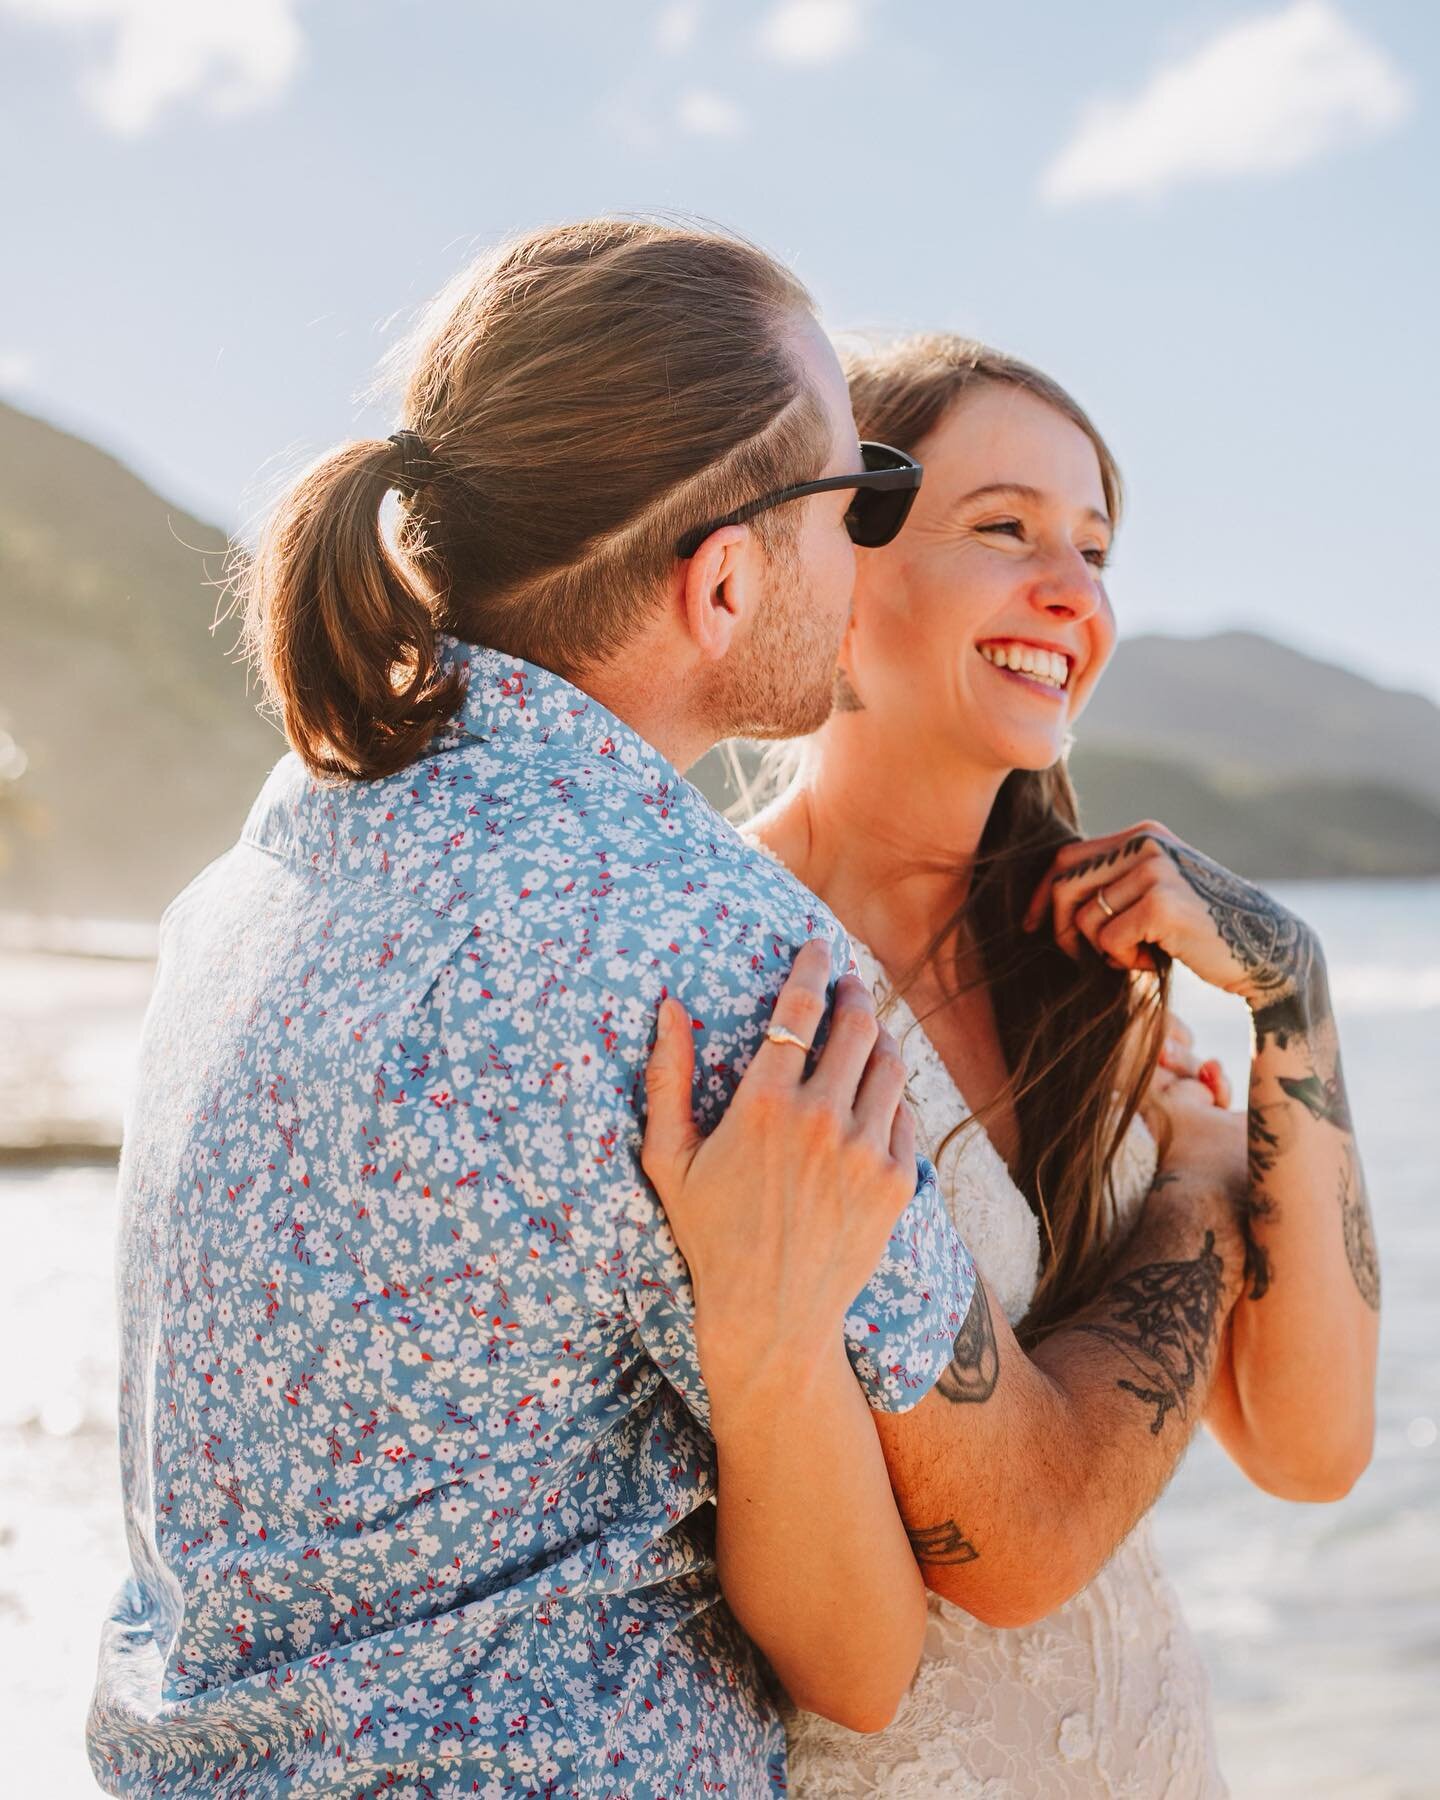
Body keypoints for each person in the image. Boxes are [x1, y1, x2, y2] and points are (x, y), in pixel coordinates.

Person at [88, 224, 1247, 1800]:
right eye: (864, 501)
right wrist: (1196, 1182)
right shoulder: (713, 962)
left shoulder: (260, 868)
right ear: (723, 580)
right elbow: (1014, 1526)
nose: (869, 553)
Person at [644, 332, 1380, 1794]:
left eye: (1095, 549)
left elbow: (1309, 1450)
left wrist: (1290, 994)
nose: (1074, 596)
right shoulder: (726, 967)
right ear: (837, 566)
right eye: (1007, 531)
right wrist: (1203, 1179)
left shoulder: (1102, 971)